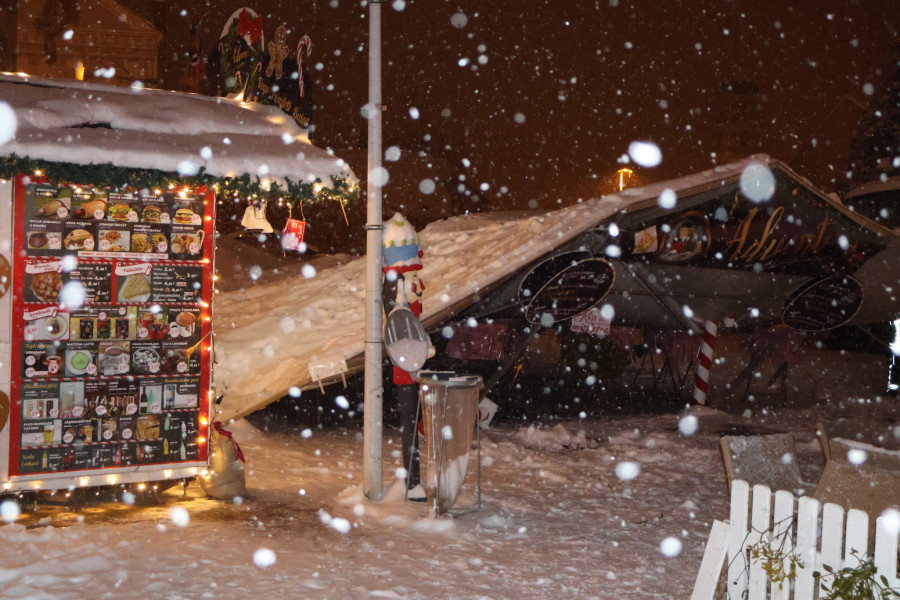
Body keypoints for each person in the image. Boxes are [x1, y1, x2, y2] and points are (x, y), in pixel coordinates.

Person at [381, 213, 427, 501]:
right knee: (409, 417)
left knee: (411, 417)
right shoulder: (396, 286)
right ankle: (412, 482)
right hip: (405, 360)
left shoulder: (405, 283)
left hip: (412, 359)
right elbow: (400, 322)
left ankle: (414, 481)